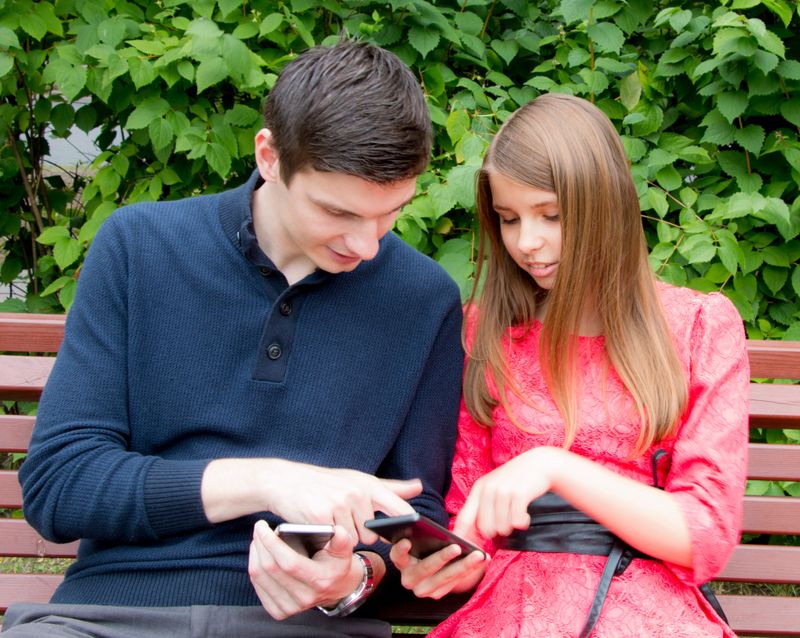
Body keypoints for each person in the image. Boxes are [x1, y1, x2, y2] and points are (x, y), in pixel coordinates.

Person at [6, 40, 464, 637]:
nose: (367, 245)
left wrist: (353, 578)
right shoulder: (140, 248)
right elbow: (60, 484)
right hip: (112, 616)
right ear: (270, 156)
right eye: (336, 213)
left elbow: (414, 517)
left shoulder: (422, 299)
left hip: (310, 627)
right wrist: (265, 480)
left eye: (390, 213)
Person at [391, 93, 750, 638]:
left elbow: (705, 534)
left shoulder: (699, 326)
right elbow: (470, 519)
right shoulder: (486, 331)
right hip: (513, 611)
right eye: (509, 220)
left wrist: (554, 468)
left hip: (645, 604)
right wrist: (445, 564)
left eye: (551, 215)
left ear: (604, 205)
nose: (527, 243)